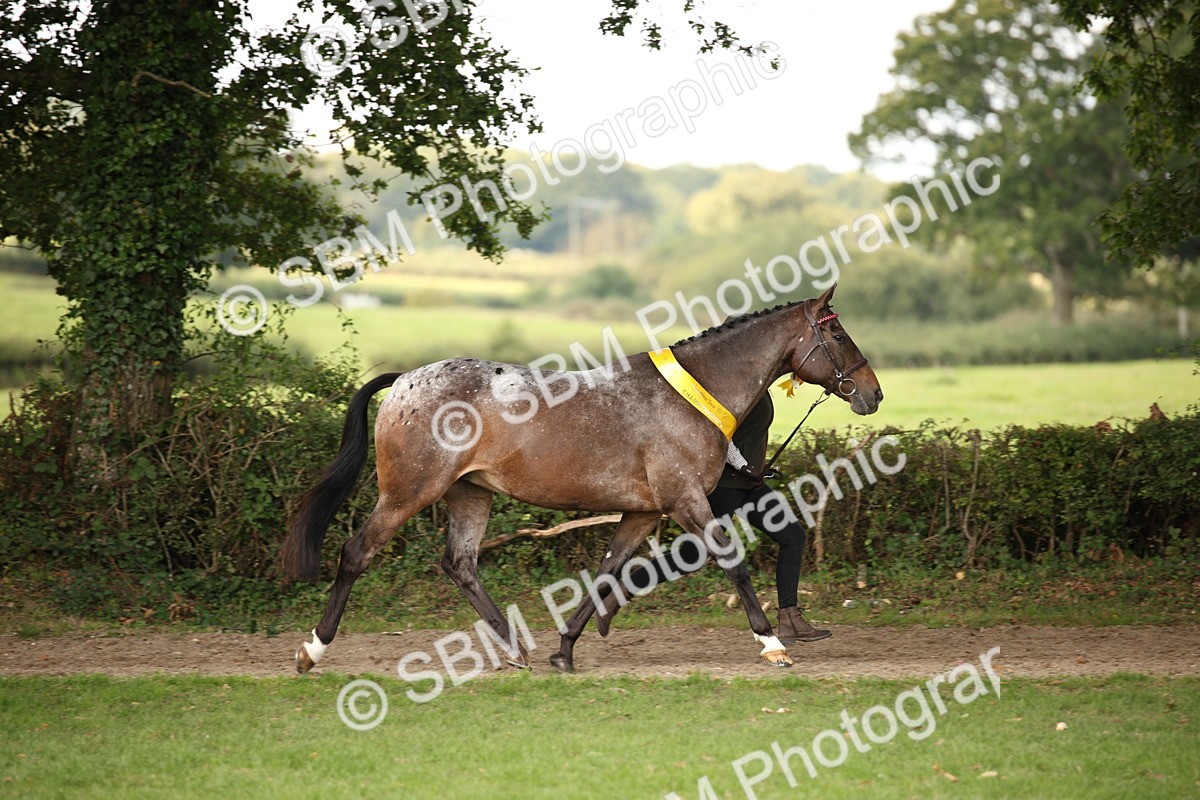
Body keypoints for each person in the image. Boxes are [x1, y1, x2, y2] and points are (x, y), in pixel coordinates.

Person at [619, 391, 830, 644]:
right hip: (726, 485)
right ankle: (623, 589)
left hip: (751, 486)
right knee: (692, 556)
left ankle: (789, 618)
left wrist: (758, 468)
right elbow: (720, 433)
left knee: (793, 537)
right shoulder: (737, 383)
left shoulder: (760, 387)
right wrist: (743, 466)